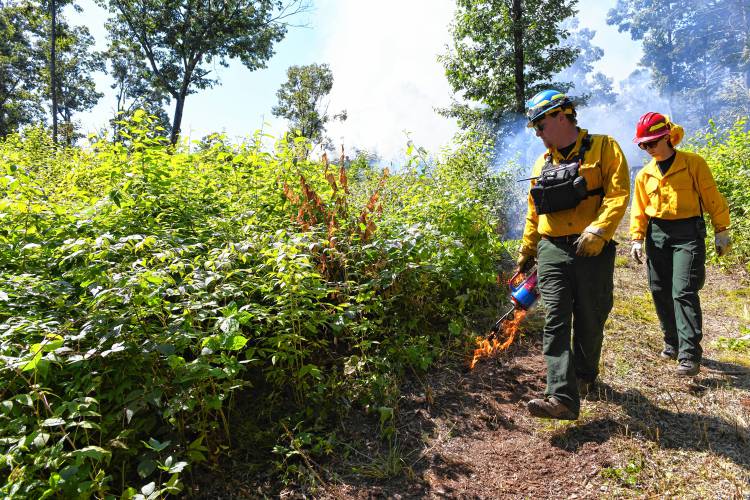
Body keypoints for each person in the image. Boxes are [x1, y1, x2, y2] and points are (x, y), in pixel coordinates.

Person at [518, 89, 630, 420]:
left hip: (592, 247)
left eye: (540, 125)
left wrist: (599, 230)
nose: (538, 133)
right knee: (555, 319)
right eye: (535, 128)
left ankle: (583, 375)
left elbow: (619, 193)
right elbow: (533, 210)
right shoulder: (542, 162)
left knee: (591, 316)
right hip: (552, 247)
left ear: (561, 115)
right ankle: (561, 397)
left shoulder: (604, 146)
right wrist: (527, 248)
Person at [629, 112, 730, 376]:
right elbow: (638, 209)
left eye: (651, 143)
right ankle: (672, 342)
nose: (648, 149)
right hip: (657, 234)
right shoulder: (645, 175)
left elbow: (711, 197)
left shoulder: (693, 163)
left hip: (688, 233)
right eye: (643, 145)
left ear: (667, 137)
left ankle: (689, 354)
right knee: (659, 289)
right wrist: (637, 238)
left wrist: (722, 229)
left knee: (683, 290)